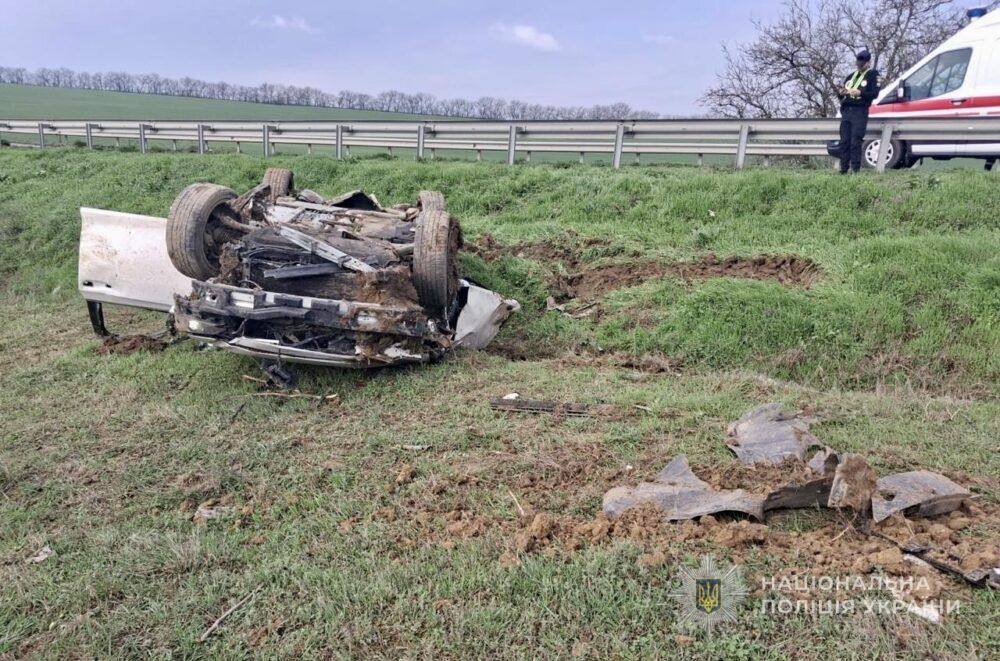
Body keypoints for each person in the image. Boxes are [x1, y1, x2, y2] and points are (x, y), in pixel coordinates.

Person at [837, 50, 880, 174]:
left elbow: (874, 94)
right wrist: (841, 93)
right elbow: (842, 94)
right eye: (858, 64)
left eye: (862, 64)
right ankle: (843, 169)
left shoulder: (872, 75)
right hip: (847, 111)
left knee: (855, 141)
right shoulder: (851, 76)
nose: (859, 66)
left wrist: (860, 93)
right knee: (844, 141)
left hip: (860, 111)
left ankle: (855, 169)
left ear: (868, 63)